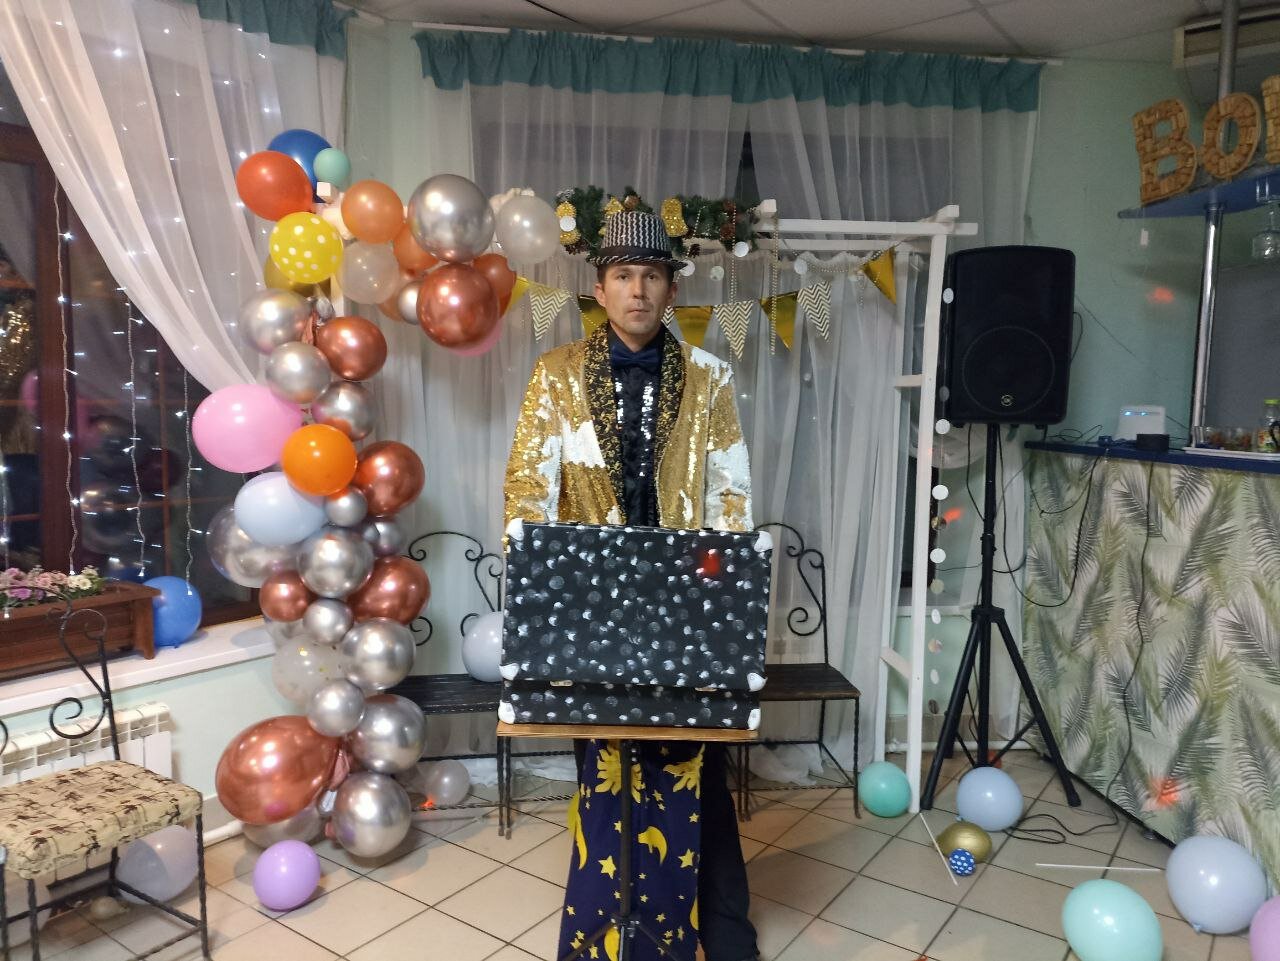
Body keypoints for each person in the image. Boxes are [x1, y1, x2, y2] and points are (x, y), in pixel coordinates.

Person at [504, 210, 759, 961]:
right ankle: (606, 931)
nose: (638, 290)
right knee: (604, 764)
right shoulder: (554, 373)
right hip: (590, 608)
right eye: (623, 276)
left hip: (684, 607)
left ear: (672, 289)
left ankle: (721, 929)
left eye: (651, 276)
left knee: (698, 765)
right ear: (600, 288)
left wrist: (716, 600)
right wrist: (547, 598)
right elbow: (527, 493)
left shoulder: (711, 376)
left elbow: (731, 498)